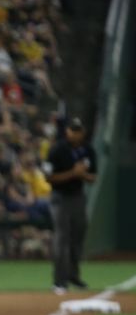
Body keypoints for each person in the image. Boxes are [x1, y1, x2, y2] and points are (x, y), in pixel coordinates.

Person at [44, 116, 96, 294]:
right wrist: (73, 173)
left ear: (83, 132)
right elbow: (48, 177)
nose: (75, 133)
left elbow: (93, 177)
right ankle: (59, 281)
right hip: (60, 198)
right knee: (62, 239)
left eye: (78, 130)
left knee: (77, 238)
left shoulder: (88, 149)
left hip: (78, 197)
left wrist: (82, 175)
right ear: (67, 131)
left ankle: (74, 276)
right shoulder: (57, 150)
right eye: (72, 130)